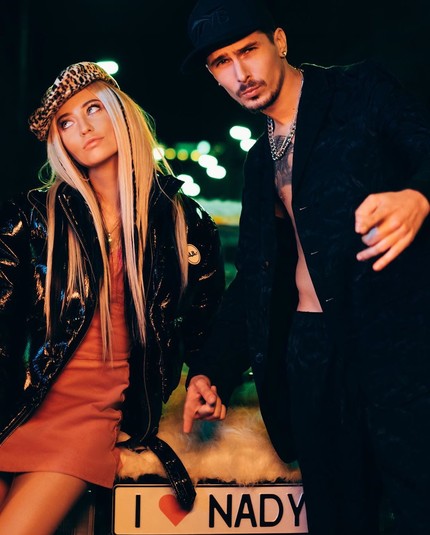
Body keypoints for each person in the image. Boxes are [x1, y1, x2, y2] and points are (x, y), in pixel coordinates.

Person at [180, 1, 430, 534]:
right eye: (222, 62)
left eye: (248, 50)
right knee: (338, 520)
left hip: (395, 346)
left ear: (280, 41)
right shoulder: (258, 161)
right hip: (311, 354)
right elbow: (255, 279)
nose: (241, 73)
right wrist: (211, 370)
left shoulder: (360, 91)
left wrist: (418, 196)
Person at [0, 61, 225, 534]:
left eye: (93, 109)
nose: (82, 128)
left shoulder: (184, 221)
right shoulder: (34, 215)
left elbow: (209, 323)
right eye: (66, 122)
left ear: (120, 112)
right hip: (18, 406)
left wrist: (208, 376)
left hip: (87, 419)